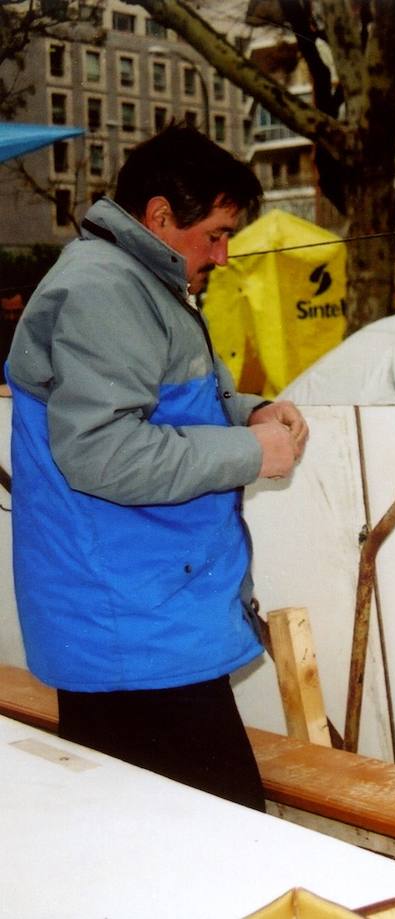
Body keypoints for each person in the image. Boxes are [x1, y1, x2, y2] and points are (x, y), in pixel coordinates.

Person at [6, 123, 308, 811]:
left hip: (143, 620)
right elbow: (100, 450)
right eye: (216, 234)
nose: (225, 255)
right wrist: (251, 453)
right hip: (130, 634)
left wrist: (251, 412)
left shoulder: (136, 278)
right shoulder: (104, 289)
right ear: (160, 216)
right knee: (227, 840)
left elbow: (175, 403)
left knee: (162, 843)